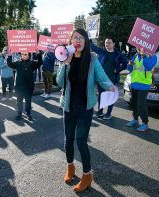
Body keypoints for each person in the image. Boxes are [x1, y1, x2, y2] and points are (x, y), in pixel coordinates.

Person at [56, 29, 115, 192]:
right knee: (68, 139)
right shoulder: (65, 58)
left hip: (85, 108)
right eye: (75, 37)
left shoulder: (93, 59)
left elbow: (102, 78)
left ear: (86, 41)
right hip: (68, 107)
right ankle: (70, 168)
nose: (78, 40)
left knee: (81, 141)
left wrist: (110, 86)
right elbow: (60, 82)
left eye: (81, 38)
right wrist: (64, 65)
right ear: (70, 41)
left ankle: (87, 175)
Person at [91, 37, 128, 119]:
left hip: (111, 79)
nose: (107, 44)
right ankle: (100, 112)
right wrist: (88, 37)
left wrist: (117, 70)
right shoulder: (102, 51)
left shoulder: (118, 54)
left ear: (114, 44)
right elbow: (92, 46)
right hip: (101, 79)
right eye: (106, 42)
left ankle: (108, 113)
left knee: (110, 96)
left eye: (109, 42)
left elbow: (125, 63)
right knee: (101, 95)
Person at [126, 48, 157, 132]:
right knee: (134, 104)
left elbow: (148, 67)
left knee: (141, 105)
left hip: (144, 85)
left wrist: (144, 56)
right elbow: (129, 68)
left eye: (140, 47)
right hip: (134, 84)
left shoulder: (152, 56)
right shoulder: (135, 56)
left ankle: (145, 123)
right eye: (137, 47)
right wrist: (130, 64)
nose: (138, 48)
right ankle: (135, 120)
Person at [7, 51, 42, 121]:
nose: (23, 55)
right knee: (19, 102)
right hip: (19, 87)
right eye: (22, 54)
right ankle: (19, 114)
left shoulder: (32, 63)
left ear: (28, 55)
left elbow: (40, 63)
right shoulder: (18, 62)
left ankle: (28, 114)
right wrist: (10, 56)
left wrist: (38, 54)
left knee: (28, 102)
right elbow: (10, 64)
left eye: (25, 54)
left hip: (29, 87)